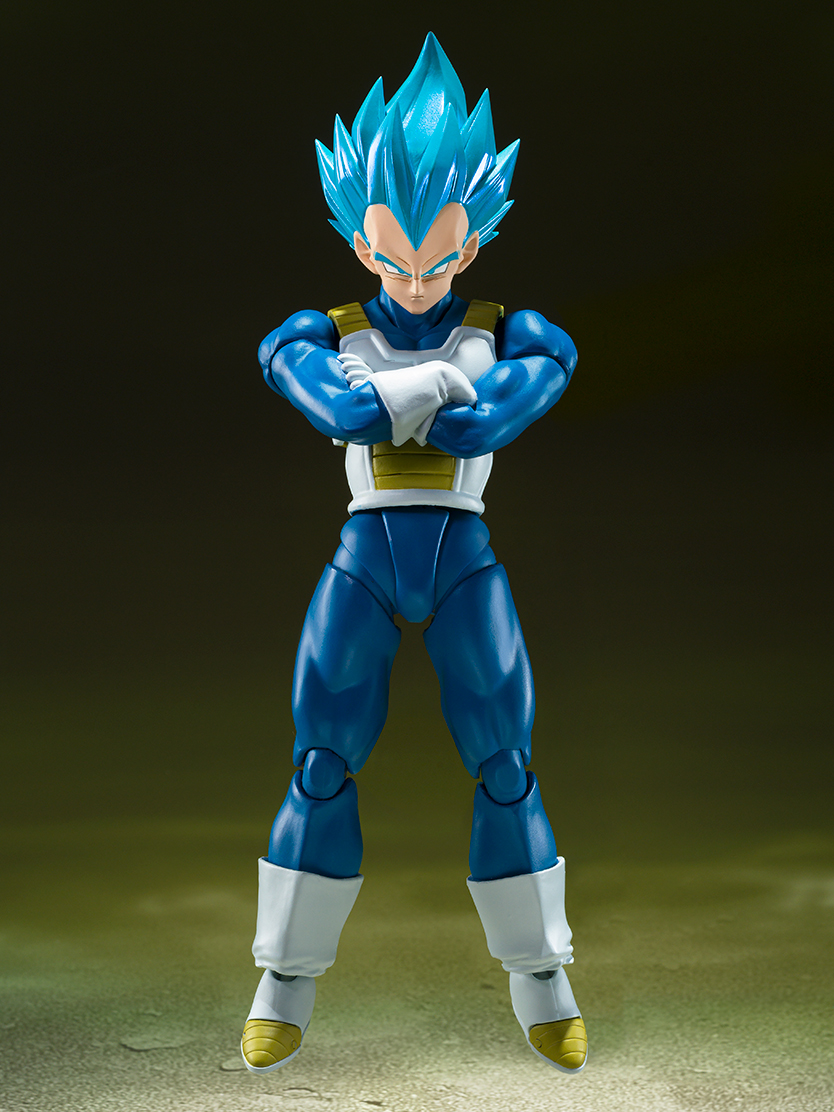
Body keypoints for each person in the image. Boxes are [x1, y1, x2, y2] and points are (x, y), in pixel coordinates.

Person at [241, 33, 586, 1076]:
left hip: (463, 553)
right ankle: (282, 980)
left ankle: (544, 977)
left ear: (473, 243)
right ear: (360, 241)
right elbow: (338, 407)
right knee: (320, 759)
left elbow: (489, 421)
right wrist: (436, 383)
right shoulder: (320, 327)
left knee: (505, 762)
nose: (419, 280)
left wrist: (407, 394)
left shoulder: (515, 326)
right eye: (396, 257)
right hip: (367, 554)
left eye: (440, 258)